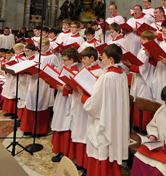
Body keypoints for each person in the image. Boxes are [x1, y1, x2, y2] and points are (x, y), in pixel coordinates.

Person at [81, 44, 129, 176]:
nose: (102, 60)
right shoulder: (122, 75)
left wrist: (83, 96)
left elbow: (95, 103)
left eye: (104, 57)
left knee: (101, 147)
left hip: (105, 119)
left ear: (111, 59)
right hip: (116, 118)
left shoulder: (106, 77)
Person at [69, 47, 104, 173]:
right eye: (82, 58)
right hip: (81, 105)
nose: (82, 61)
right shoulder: (84, 70)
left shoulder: (100, 72)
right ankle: (80, 161)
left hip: (90, 108)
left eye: (84, 58)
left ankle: (87, 164)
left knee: (87, 134)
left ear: (92, 58)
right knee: (80, 132)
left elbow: (98, 93)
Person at [20, 39, 59, 136]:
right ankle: (28, 128)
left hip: (44, 82)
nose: (40, 48)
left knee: (41, 103)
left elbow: (57, 69)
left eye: (42, 46)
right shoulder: (37, 56)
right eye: (39, 46)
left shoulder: (53, 57)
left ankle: (39, 130)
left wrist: (48, 72)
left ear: (48, 45)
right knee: (30, 102)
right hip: (34, 80)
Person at [122, 30, 157, 130]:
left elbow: (144, 69)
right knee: (137, 100)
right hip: (139, 79)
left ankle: (144, 127)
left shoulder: (148, 52)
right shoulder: (142, 50)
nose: (142, 41)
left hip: (145, 81)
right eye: (141, 38)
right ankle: (137, 125)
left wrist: (131, 65)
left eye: (145, 39)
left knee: (144, 102)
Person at [51, 47, 81, 163]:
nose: (63, 62)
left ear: (72, 60)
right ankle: (61, 149)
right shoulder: (66, 68)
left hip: (68, 103)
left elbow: (74, 90)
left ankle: (66, 152)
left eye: (65, 60)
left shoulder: (74, 72)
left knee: (66, 124)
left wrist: (62, 89)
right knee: (60, 122)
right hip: (61, 100)